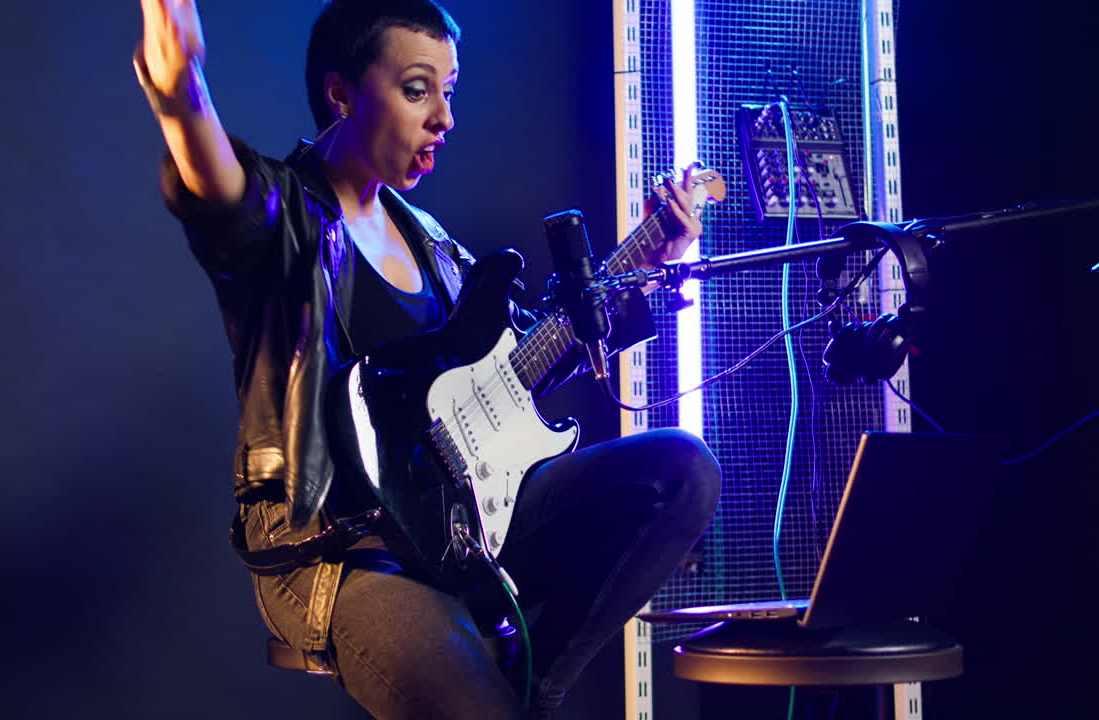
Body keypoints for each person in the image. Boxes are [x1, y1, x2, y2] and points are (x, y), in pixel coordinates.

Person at [134, 1, 721, 717]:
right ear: (341, 93)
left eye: (450, 90)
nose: (444, 116)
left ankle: (533, 694)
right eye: (418, 89)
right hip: (339, 546)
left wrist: (645, 263)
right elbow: (225, 195)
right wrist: (180, 94)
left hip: (462, 522)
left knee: (681, 470)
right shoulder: (287, 219)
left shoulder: (435, 246)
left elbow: (519, 366)